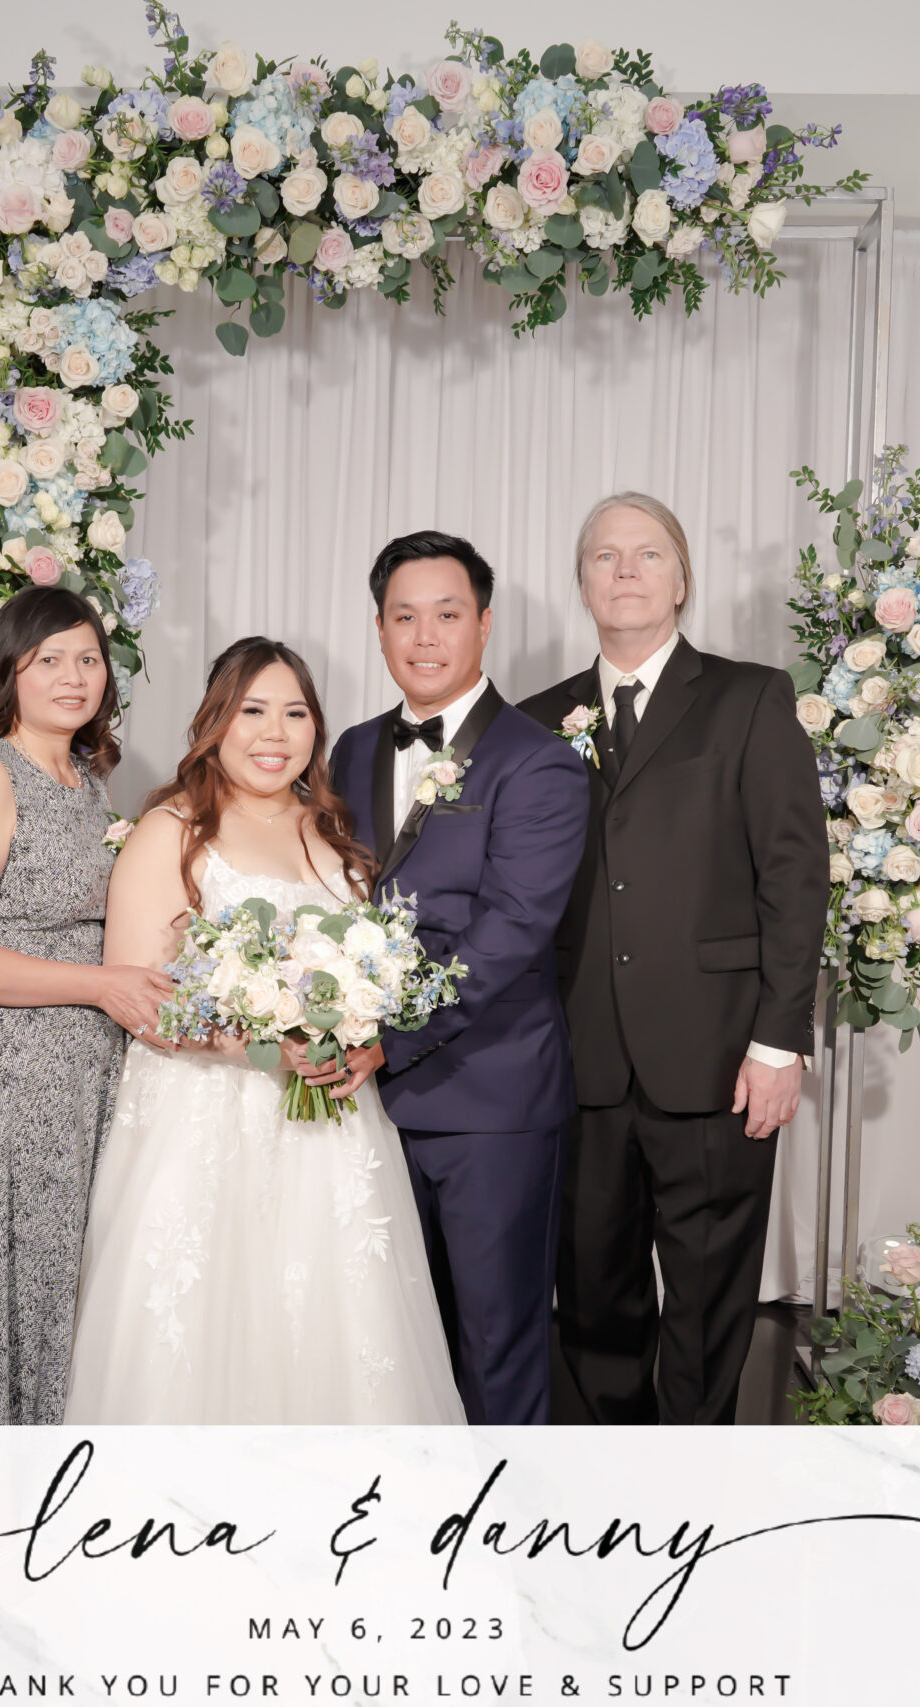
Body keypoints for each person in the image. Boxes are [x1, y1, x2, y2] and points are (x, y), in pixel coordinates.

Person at [64, 637, 464, 1424]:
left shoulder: (334, 831)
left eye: (295, 713)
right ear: (215, 720)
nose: (274, 733)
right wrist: (262, 1046)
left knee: (335, 1329)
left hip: (332, 1130)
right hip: (203, 1124)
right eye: (252, 711)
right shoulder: (172, 830)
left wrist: (355, 1025)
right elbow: (139, 1001)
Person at [517, 493, 830, 1426]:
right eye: (605, 556)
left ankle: (694, 1476)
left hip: (720, 1056)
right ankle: (618, 1470)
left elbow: (794, 875)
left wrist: (780, 1040)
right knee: (592, 1293)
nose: (625, 570)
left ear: (682, 579)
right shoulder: (535, 721)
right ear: (582, 583)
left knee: (707, 1300)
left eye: (647, 554)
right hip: (580, 1057)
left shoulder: (750, 698)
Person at [328, 532, 591, 1425]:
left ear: (484, 623)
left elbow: (510, 930)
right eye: (405, 616)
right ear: (379, 628)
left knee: (494, 1343)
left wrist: (387, 1036)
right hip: (366, 1105)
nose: (425, 636)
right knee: (390, 1342)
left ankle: (501, 1508)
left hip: (491, 1098)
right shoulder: (350, 748)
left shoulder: (538, 759)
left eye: (447, 614)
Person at [0, 586, 172, 1425]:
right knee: (11, 1291)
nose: (74, 675)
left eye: (88, 658)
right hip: (12, 1077)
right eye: (49, 659)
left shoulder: (88, 779)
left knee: (68, 1287)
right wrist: (100, 984)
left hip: (87, 1071)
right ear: (8, 672)